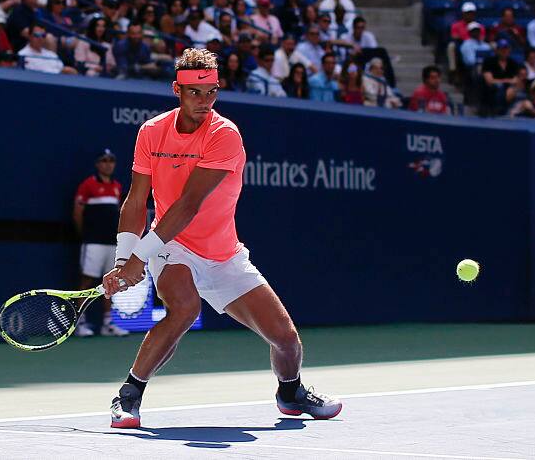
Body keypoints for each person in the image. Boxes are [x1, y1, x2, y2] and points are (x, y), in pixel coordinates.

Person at [103, 48, 342, 428]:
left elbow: (189, 205)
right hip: (172, 244)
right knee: (184, 309)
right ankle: (128, 396)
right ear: (176, 90)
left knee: (286, 339)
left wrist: (138, 259)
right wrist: (123, 258)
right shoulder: (151, 132)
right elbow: (135, 201)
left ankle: (291, 391)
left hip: (223, 253)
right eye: (194, 92)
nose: (203, 101)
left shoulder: (224, 135)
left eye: (210, 92)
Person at [74, 150, 131, 337]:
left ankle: (107, 324)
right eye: (104, 161)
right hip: (93, 242)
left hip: (111, 243)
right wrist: (85, 235)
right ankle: (79, 323)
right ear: (98, 164)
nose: (108, 164)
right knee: (87, 280)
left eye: (111, 161)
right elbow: (77, 212)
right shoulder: (88, 184)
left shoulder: (116, 186)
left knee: (111, 282)